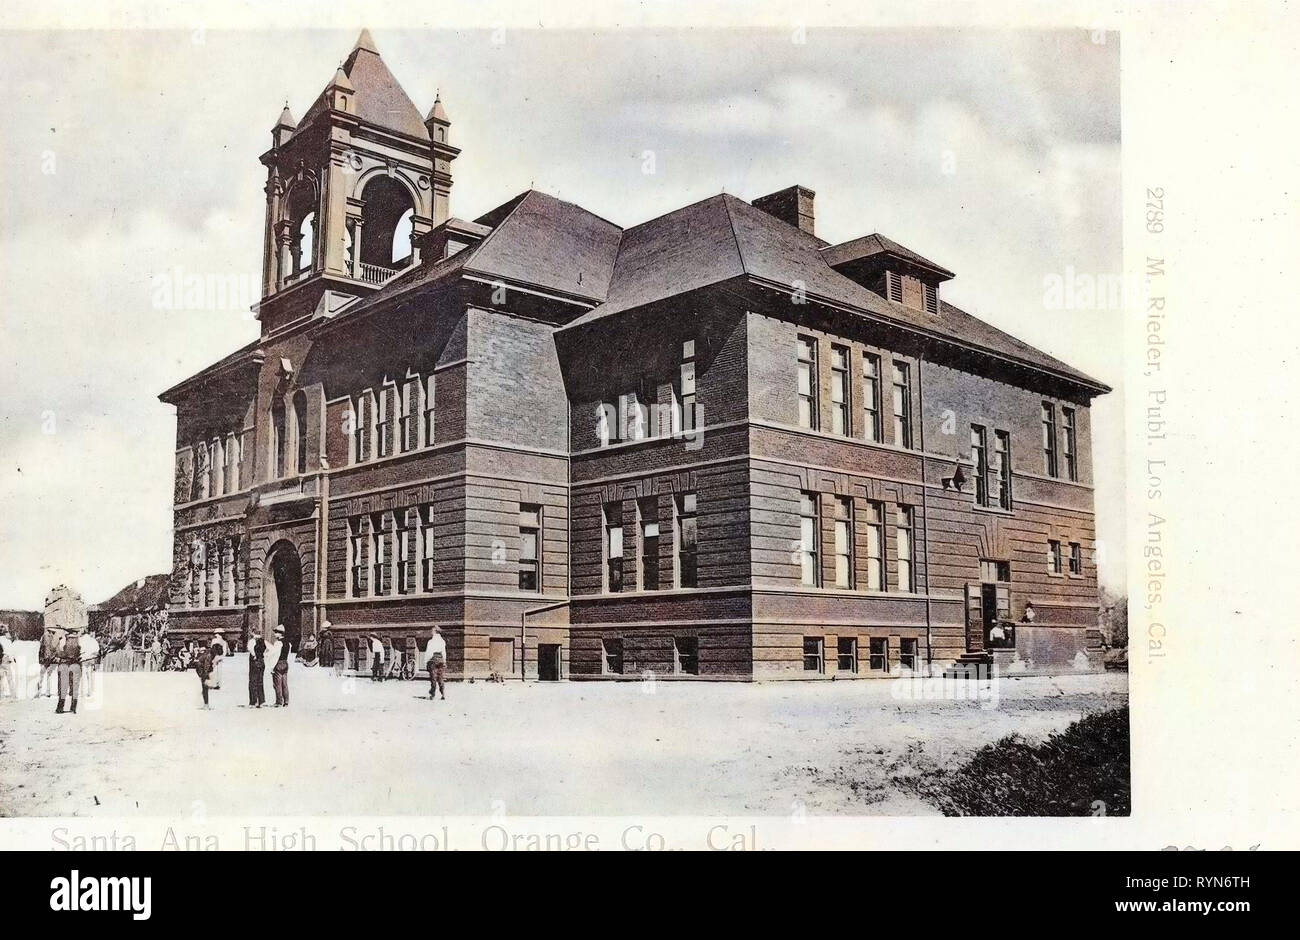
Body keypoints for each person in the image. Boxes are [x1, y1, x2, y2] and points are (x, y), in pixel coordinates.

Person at [56, 629, 82, 714]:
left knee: (63, 687)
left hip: (64, 665)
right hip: (76, 665)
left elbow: (58, 652)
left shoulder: (63, 640)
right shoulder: (79, 640)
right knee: (75, 686)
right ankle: (73, 707)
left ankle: (60, 707)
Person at [267, 625, 290, 707]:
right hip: (285, 663)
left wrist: (272, 667)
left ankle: (279, 701)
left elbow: (276, 656)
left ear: (280, 634)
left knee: (277, 684)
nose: (275, 634)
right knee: (284, 684)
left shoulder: (278, 643)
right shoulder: (288, 643)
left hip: (278, 663)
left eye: (276, 632)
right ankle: (286, 701)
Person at [35, 628, 59, 697]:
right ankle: (48, 691)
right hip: (52, 659)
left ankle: (40, 691)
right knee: (49, 675)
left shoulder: (44, 636)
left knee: (42, 675)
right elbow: (57, 649)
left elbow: (41, 648)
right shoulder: (56, 638)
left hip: (45, 658)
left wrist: (40, 659)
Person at [426, 627, 446, 701]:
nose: (431, 632)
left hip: (433, 660)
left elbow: (429, 653)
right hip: (441, 660)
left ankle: (433, 694)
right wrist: (444, 661)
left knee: (433, 678)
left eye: (432, 631)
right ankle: (443, 693)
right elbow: (444, 652)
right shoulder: (442, 641)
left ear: (435, 632)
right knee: (440, 678)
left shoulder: (431, 641)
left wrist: (427, 661)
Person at [80, 629, 101, 697]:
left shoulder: (81, 639)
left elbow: (79, 649)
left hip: (83, 659)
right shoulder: (93, 640)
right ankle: (89, 691)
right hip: (91, 659)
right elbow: (97, 649)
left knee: (83, 676)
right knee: (89, 676)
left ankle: (82, 691)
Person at [248, 630, 266, 707]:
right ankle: (261, 701)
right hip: (261, 661)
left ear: (253, 633)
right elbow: (268, 649)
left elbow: (250, 649)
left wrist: (255, 655)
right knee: (260, 681)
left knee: (252, 681)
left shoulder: (252, 641)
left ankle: (253, 701)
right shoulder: (263, 641)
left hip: (254, 662)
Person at [194, 644, 213, 709]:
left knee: (205, 690)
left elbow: (206, 666)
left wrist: (204, 674)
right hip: (203, 675)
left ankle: (206, 705)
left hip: (204, 675)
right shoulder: (202, 656)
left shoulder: (206, 656)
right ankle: (205, 704)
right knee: (204, 690)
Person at [0, 623, 16, 699]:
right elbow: (11, 650)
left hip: (2, 659)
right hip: (7, 658)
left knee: (1, 678)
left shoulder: (2, 639)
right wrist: (12, 658)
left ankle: (1, 695)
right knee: (10, 678)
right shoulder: (8, 640)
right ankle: (13, 694)